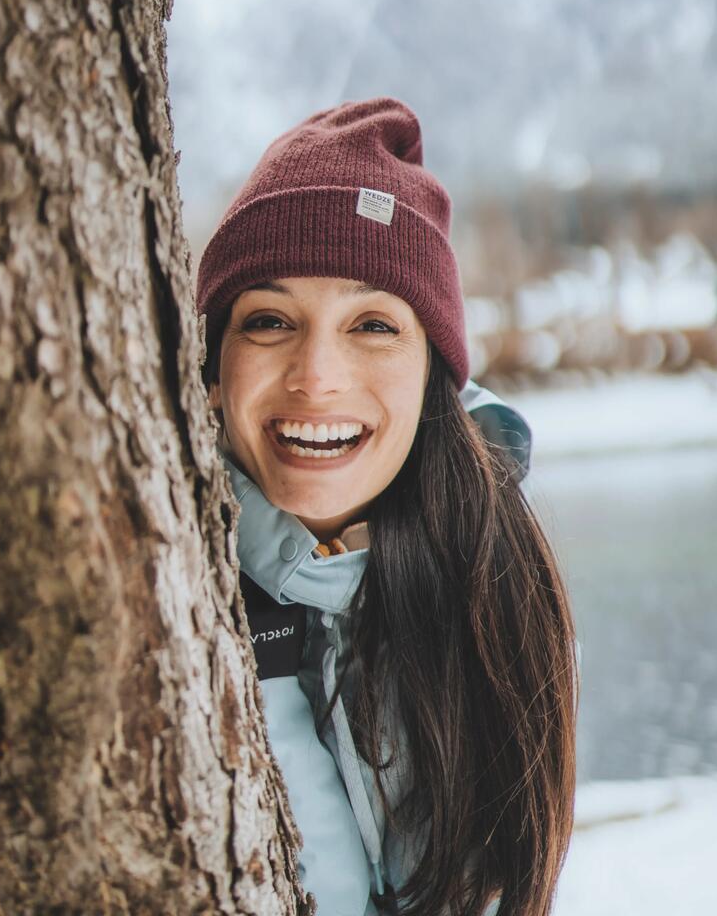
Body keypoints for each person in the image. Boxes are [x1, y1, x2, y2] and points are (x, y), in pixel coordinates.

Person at [195, 98, 578, 916]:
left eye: (372, 323)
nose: (316, 375)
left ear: (432, 371)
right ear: (213, 363)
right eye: (268, 320)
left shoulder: (494, 575)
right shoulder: (173, 582)